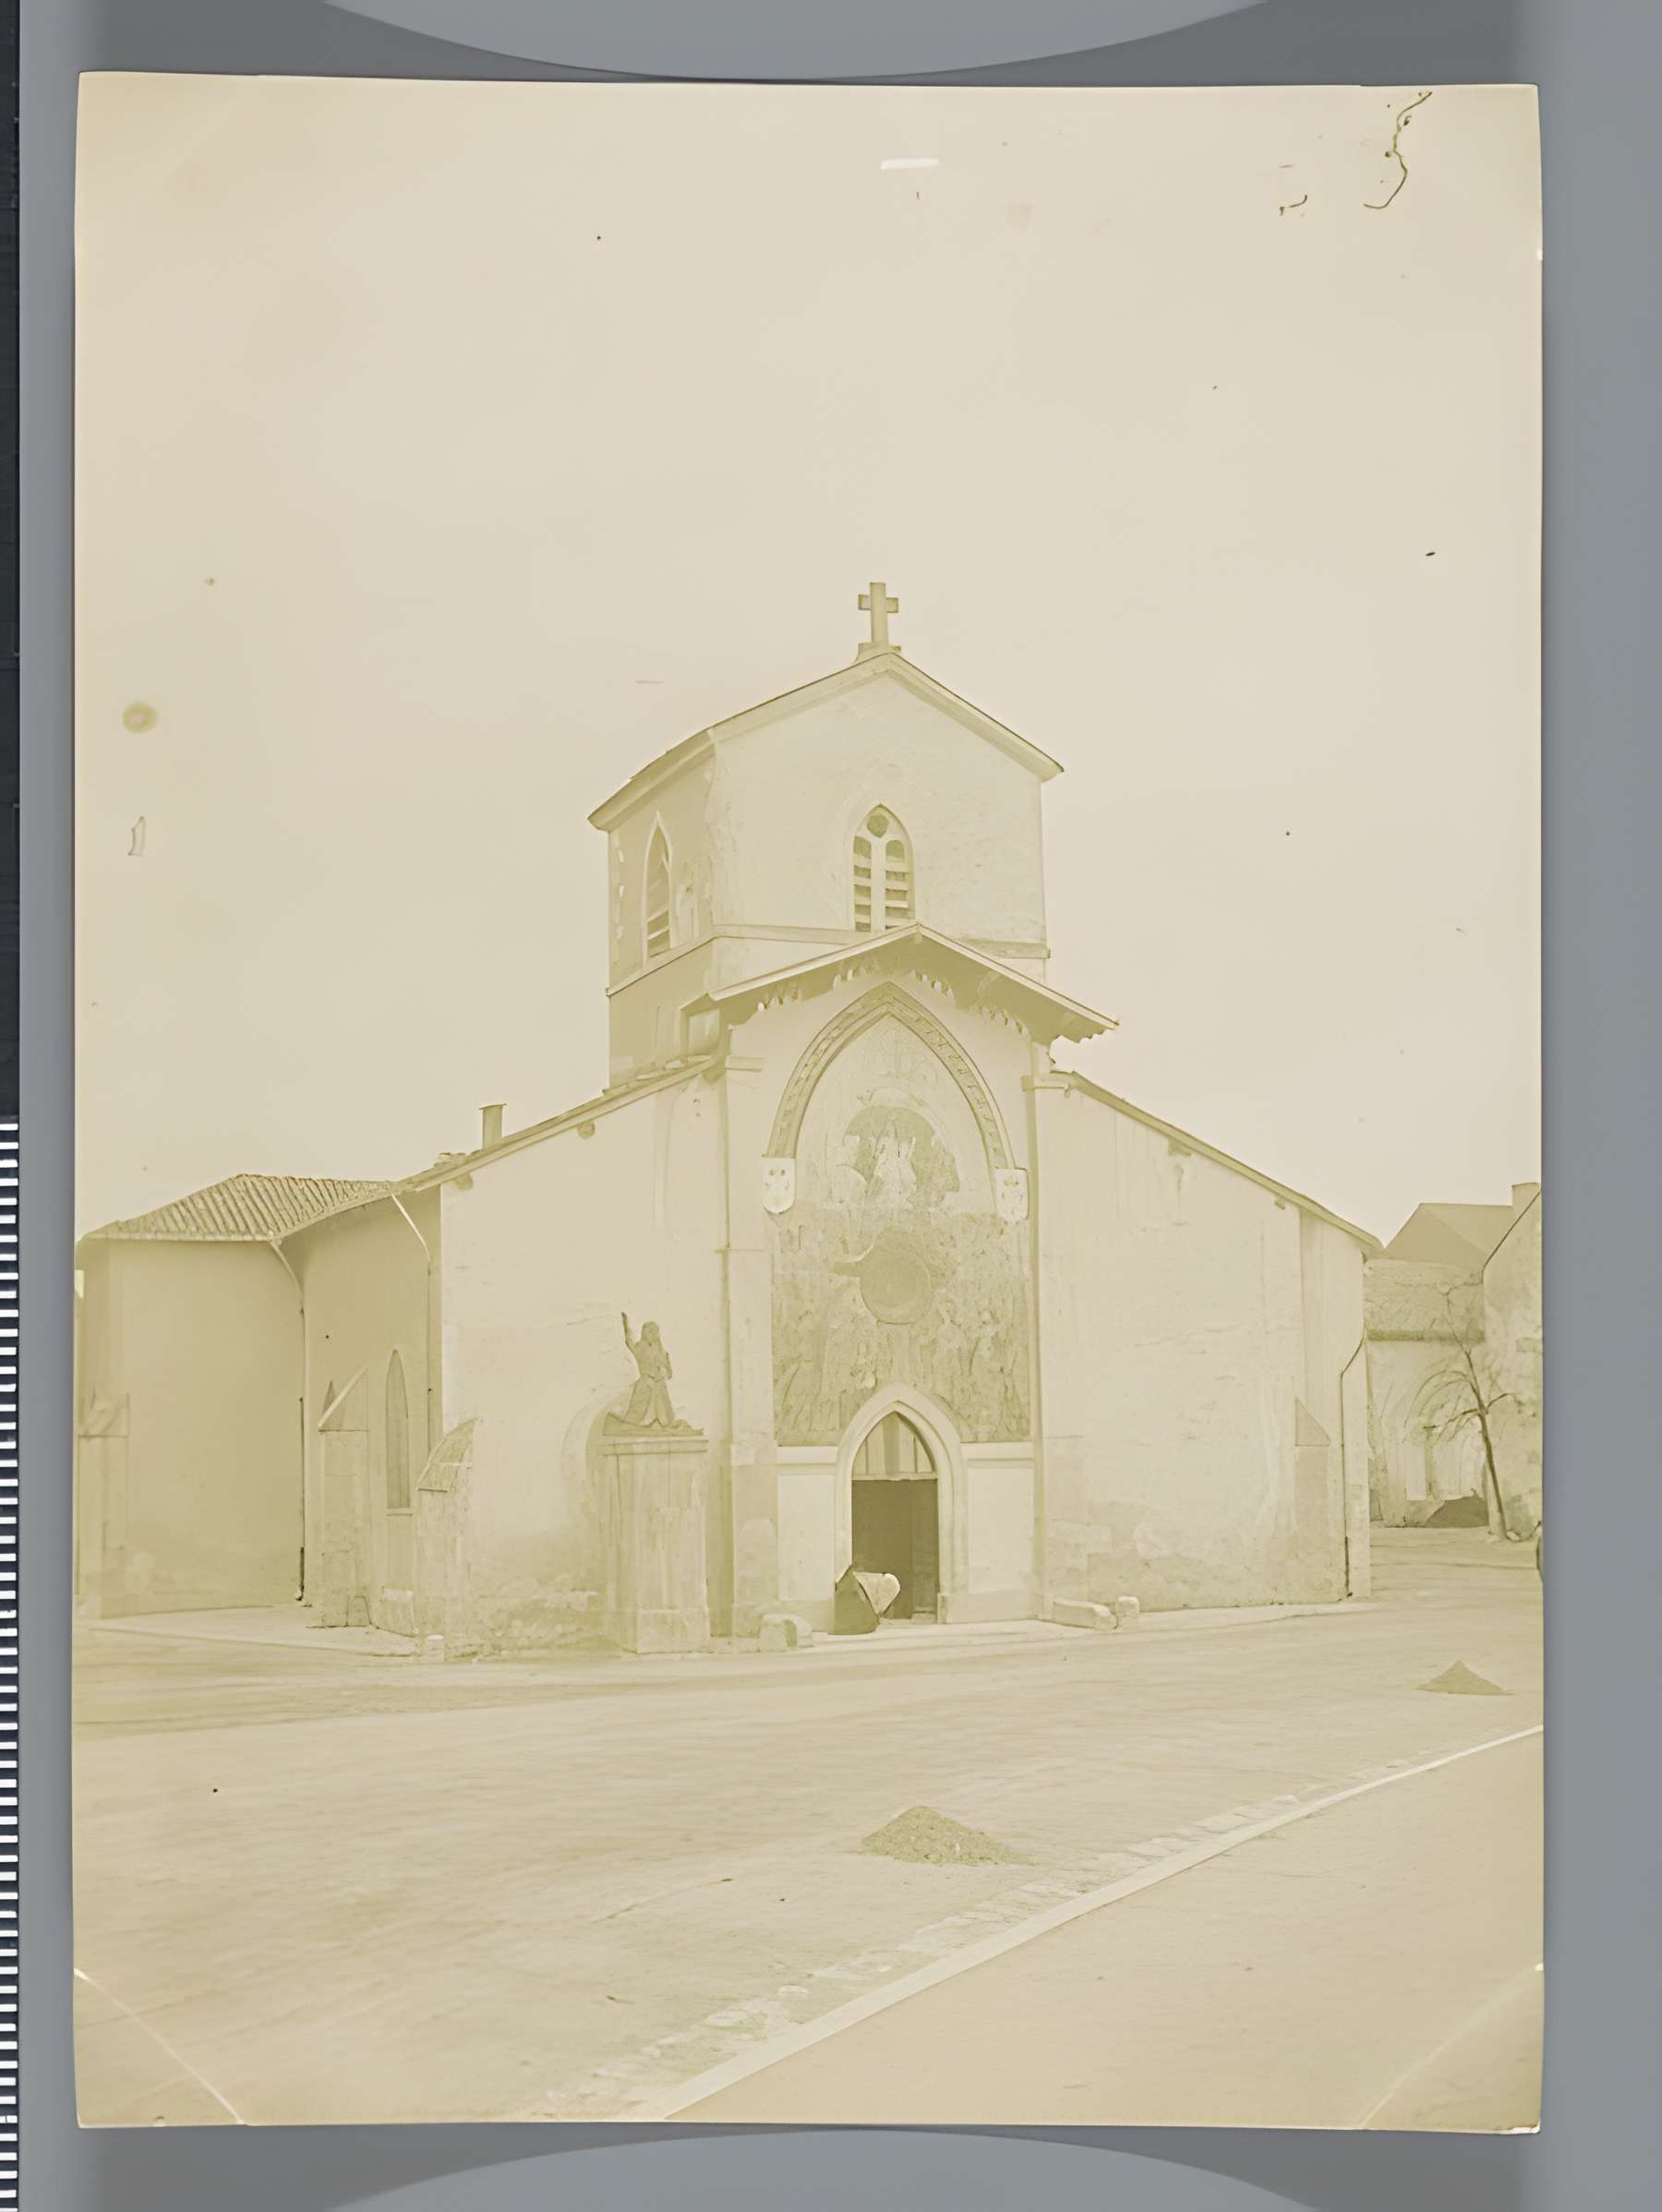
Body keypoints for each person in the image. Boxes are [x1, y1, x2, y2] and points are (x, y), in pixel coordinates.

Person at [620, 1313, 677, 1429]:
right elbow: (629, 1343)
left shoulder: (661, 1350)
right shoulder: (640, 1347)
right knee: (637, 1411)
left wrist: (665, 1372)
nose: (650, 1334)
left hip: (659, 1384)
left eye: (653, 1331)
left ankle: (662, 1423)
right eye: (648, 1331)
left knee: (664, 1414)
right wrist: (626, 1325)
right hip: (645, 1383)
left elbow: (668, 1370)